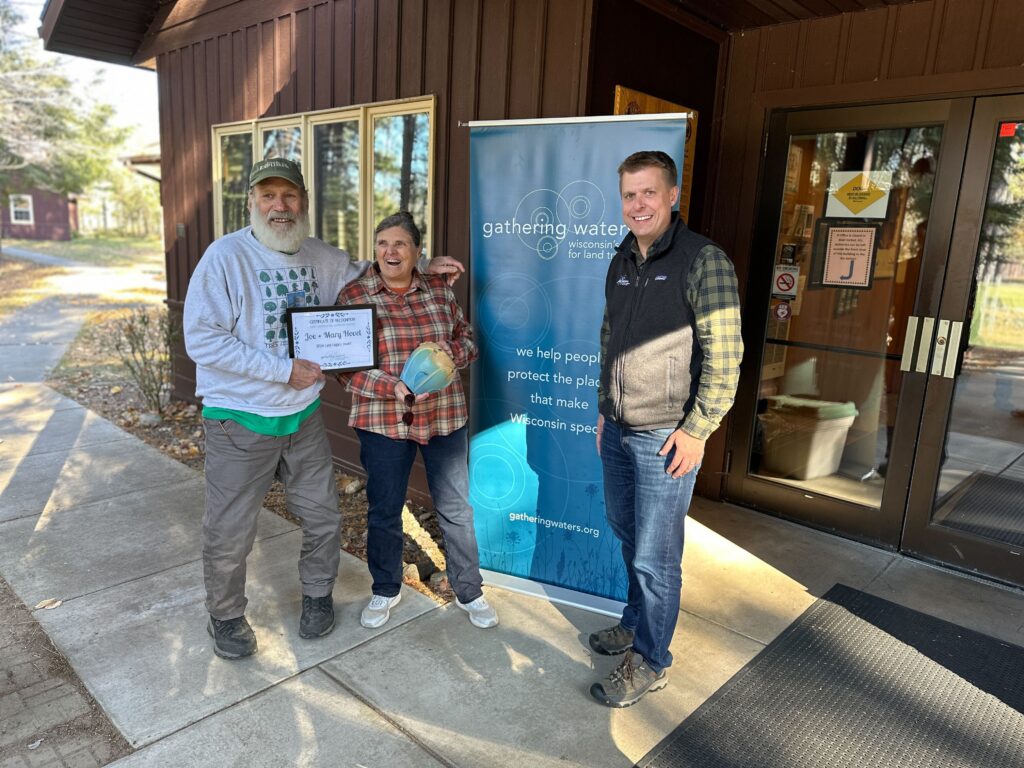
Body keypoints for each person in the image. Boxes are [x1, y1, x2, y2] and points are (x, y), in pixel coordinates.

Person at [183, 158, 464, 660]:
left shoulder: (320, 256)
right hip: (239, 418)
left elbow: (379, 271)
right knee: (230, 531)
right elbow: (201, 340)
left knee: (323, 518)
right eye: (268, 196)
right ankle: (225, 616)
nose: (279, 206)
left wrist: (424, 266)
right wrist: (279, 369)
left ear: (304, 203)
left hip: (302, 415)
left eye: (289, 196)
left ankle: (317, 597)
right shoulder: (224, 257)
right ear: (251, 202)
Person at [589, 151, 742, 706]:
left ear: (673, 195)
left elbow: (726, 356)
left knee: (656, 556)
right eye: (629, 195)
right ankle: (634, 623)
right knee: (627, 534)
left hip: (666, 437)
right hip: (620, 430)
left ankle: (651, 659)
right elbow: (610, 343)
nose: (638, 205)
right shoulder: (622, 259)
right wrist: (607, 411)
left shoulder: (703, 261)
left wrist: (698, 430)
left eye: (648, 193)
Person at [335, 211, 498, 631]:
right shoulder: (354, 296)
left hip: (443, 415)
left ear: (417, 252)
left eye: (400, 244)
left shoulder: (439, 292)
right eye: (383, 243)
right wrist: (392, 387)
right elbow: (343, 366)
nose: (390, 251)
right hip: (383, 419)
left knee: (456, 508)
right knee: (385, 509)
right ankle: (385, 588)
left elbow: (466, 339)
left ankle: (470, 589)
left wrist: (448, 359)